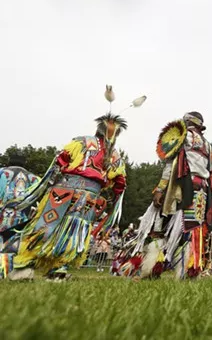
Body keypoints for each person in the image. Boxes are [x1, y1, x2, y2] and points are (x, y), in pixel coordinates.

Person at [6, 112, 128, 280]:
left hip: (71, 194)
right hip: (79, 196)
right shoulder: (112, 154)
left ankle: (53, 270)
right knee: (54, 230)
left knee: (63, 233)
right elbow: (120, 183)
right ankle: (25, 267)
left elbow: (61, 159)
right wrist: (114, 196)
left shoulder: (85, 143)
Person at [131, 112, 212, 280]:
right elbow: (210, 173)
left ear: (186, 122)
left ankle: (153, 268)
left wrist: (160, 189)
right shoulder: (208, 146)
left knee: (160, 226)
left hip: (181, 188)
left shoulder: (182, 136)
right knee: (191, 231)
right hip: (201, 191)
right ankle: (188, 271)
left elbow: (170, 166)